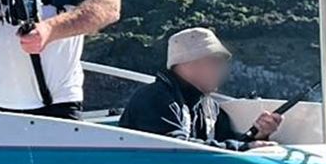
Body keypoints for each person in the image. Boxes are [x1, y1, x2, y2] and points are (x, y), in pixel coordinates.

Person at [118, 28, 283, 150]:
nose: (222, 69)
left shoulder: (211, 107)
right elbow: (173, 148)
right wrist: (243, 148)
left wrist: (259, 135)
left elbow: (225, 144)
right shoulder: (153, 99)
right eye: (216, 61)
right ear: (189, 63)